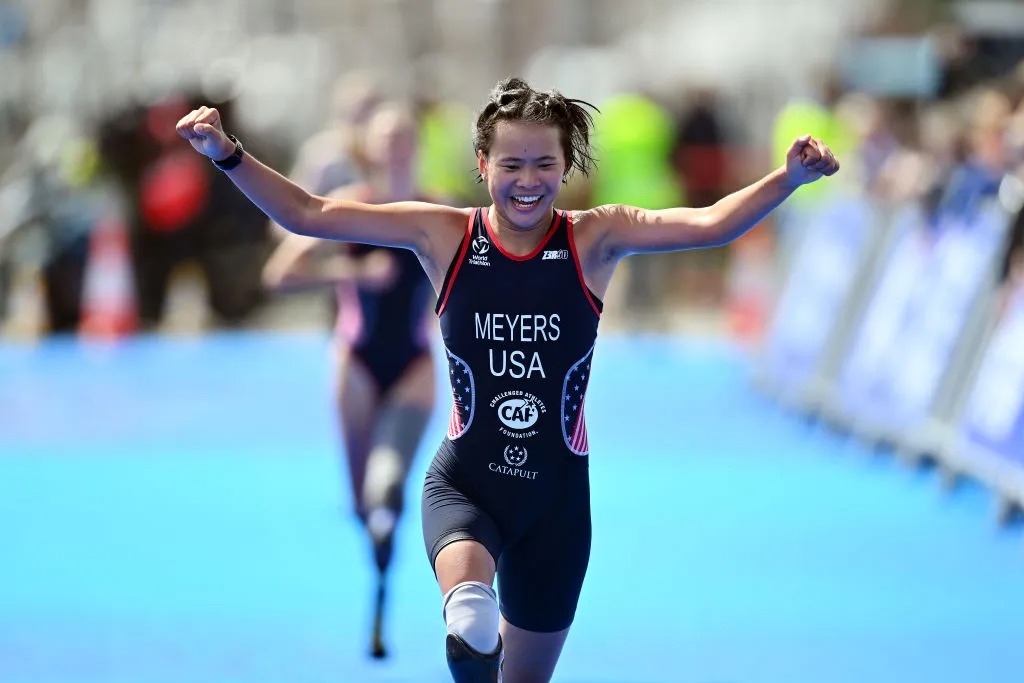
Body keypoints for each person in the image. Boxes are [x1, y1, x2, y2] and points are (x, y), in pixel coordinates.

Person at [176, 76, 839, 683]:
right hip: (467, 484)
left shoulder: (597, 238)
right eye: (511, 164)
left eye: (545, 164)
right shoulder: (442, 234)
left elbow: (710, 224)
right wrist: (226, 154)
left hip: (557, 504)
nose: (528, 181)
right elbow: (310, 214)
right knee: (468, 620)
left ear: (566, 167)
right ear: (482, 166)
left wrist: (786, 179)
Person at [261, 103, 437, 659]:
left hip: (415, 362)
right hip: (355, 362)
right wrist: (354, 271)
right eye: (388, 139)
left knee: (389, 483)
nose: (399, 147)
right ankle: (378, 561)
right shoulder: (353, 206)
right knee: (362, 500)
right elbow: (281, 273)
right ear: (369, 147)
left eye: (406, 137)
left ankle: (388, 533)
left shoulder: (438, 209)